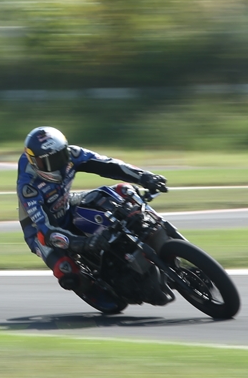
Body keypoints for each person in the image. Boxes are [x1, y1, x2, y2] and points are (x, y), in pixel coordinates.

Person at [17, 126, 168, 310]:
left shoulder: (73, 154)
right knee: (66, 271)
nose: (56, 165)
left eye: (59, 157)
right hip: (39, 228)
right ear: (33, 162)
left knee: (122, 192)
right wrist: (83, 243)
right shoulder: (28, 186)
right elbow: (47, 231)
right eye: (46, 162)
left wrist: (145, 177)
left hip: (66, 204)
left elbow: (109, 164)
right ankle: (92, 288)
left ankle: (152, 233)